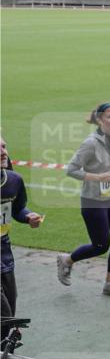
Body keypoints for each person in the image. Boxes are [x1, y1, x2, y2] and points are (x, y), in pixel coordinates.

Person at [57, 102, 110, 297]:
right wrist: (98, 178)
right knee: (100, 246)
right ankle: (67, 260)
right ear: (100, 120)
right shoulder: (90, 143)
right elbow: (71, 170)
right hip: (93, 201)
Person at [1, 137, 44, 346]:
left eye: (3, 146)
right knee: (4, 313)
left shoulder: (13, 181)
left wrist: (28, 217)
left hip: (4, 251)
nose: (2, 151)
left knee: (10, 302)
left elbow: (17, 209)